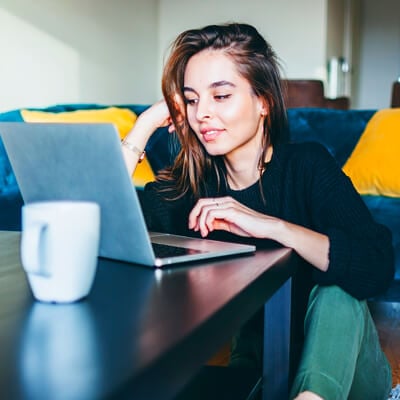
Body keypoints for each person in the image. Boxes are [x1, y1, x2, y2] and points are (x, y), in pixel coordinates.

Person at [121, 23, 394, 400]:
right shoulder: (193, 185)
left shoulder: (307, 166)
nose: (202, 114)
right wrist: (144, 127)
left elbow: (376, 263)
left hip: (353, 380)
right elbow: (111, 224)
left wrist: (275, 228)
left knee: (336, 284)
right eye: (192, 99)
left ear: (263, 101)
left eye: (220, 96)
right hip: (263, 370)